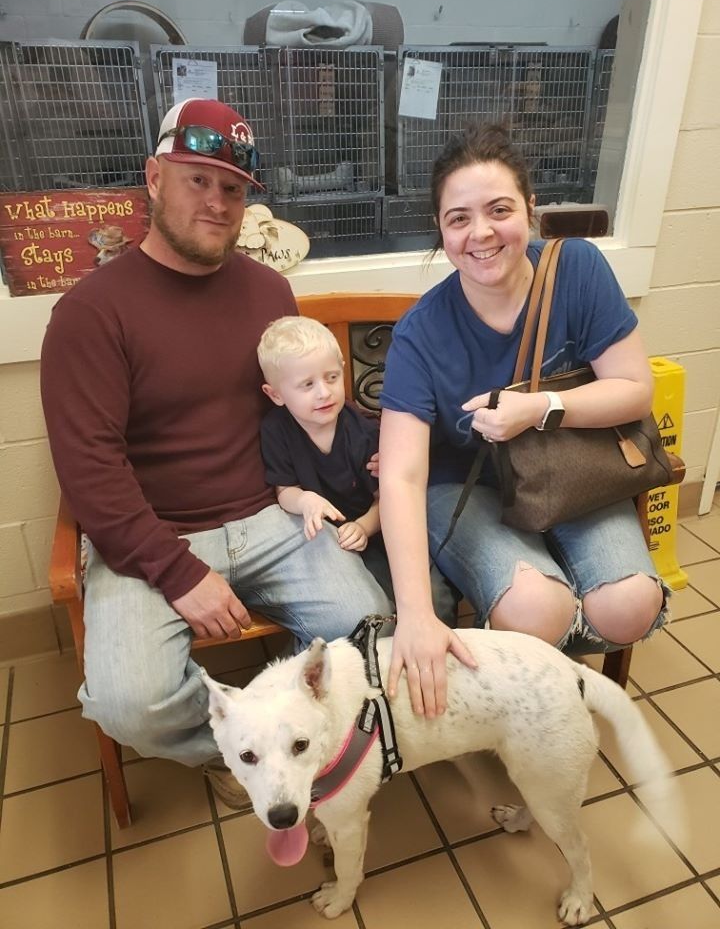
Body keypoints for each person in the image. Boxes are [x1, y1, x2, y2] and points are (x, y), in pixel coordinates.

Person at [40, 98, 391, 806]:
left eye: (232, 188)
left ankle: (304, 750)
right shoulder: (89, 313)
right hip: (151, 536)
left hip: (271, 517)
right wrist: (177, 572)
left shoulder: (268, 290)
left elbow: (301, 409)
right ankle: (242, 758)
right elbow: (88, 469)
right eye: (197, 180)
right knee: (130, 704)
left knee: (367, 640)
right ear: (153, 177)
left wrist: (366, 457)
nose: (217, 201)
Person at [378, 123, 669, 720]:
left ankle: (544, 669)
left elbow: (636, 390)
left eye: (499, 210)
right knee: (538, 609)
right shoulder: (420, 333)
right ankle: (541, 679)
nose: (480, 233)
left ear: (530, 211)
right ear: (441, 229)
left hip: (570, 470)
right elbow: (403, 476)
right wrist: (416, 615)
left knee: (630, 605)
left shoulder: (578, 270)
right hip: (465, 486)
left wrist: (540, 408)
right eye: (458, 218)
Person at [257, 315, 459, 619]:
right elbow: (285, 489)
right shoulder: (276, 431)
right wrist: (305, 501)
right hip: (320, 542)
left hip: (376, 530)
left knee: (436, 599)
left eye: (331, 378)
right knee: (365, 608)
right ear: (276, 395)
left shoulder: (365, 432)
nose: (323, 392)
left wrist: (364, 526)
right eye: (307, 385)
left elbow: (390, 497)